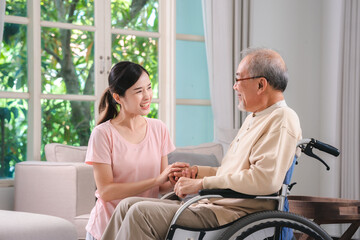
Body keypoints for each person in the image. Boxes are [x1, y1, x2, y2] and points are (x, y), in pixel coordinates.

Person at [101, 48, 302, 240]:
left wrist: (201, 184)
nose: (235, 86)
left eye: (238, 79)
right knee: (126, 206)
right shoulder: (254, 118)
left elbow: (264, 181)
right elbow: (231, 173)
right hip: (216, 207)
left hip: (233, 215)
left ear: (261, 85)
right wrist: (198, 172)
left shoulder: (282, 118)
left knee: (140, 213)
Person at [84, 61, 187, 240]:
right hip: (107, 229)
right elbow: (106, 192)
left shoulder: (158, 128)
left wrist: (177, 177)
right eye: (139, 91)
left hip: (142, 227)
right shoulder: (102, 134)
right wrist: (155, 180)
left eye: (149, 87)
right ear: (118, 98)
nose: (147, 96)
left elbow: (162, 186)